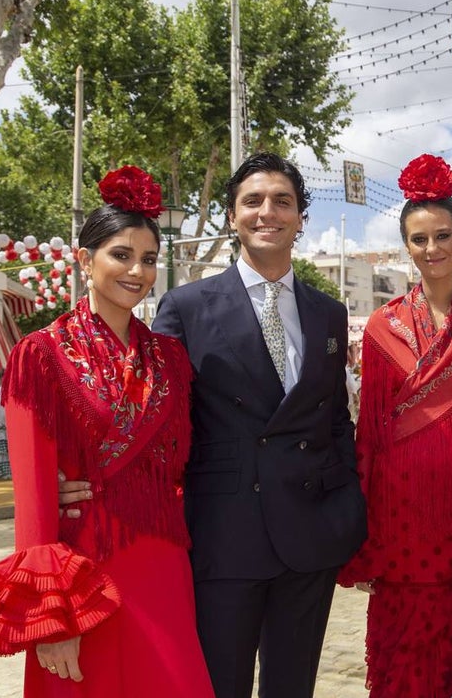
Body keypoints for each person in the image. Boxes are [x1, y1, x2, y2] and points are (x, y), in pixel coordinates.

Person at [0, 166, 214, 696]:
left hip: (163, 562)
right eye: (121, 254)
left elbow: (185, 459)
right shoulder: (40, 355)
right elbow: (32, 505)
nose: (136, 271)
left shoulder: (170, 358)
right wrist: (53, 620)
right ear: (83, 259)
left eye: (148, 260)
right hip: (82, 570)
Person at [152, 152, 365, 698]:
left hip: (309, 536)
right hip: (224, 536)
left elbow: (336, 418)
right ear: (231, 215)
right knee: (219, 687)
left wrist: (344, 509)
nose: (267, 212)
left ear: (300, 217)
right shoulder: (186, 307)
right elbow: (159, 421)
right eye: (253, 201)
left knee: (292, 688)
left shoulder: (327, 312)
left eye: (282, 201)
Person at [336, 154, 452, 698]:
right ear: (406, 247)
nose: (432, 249)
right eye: (419, 239)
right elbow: (369, 435)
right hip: (400, 513)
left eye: (442, 236)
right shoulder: (382, 327)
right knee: (404, 654)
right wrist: (363, 531)